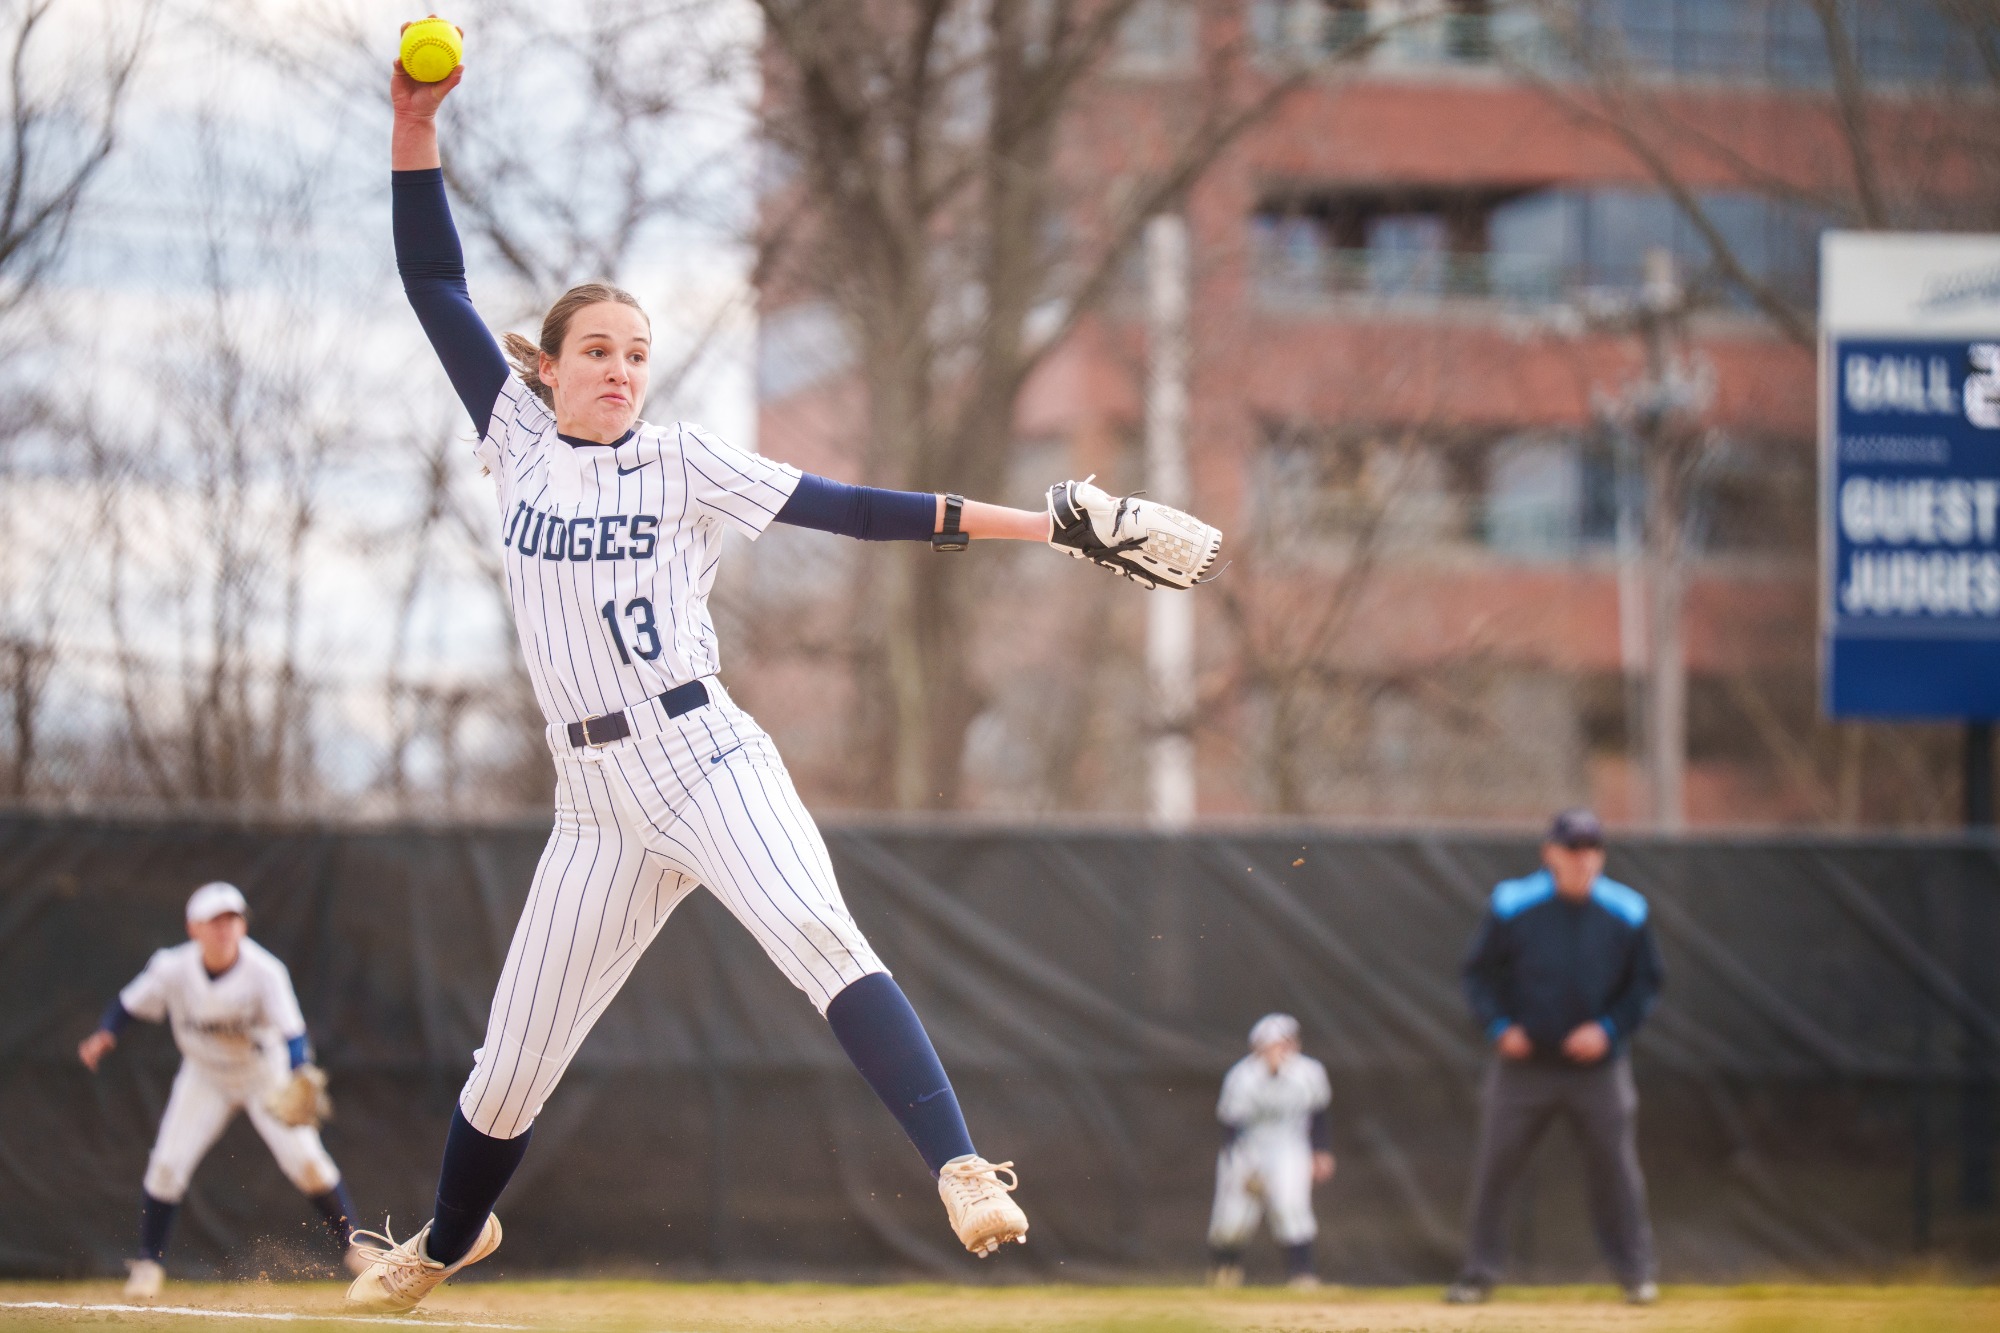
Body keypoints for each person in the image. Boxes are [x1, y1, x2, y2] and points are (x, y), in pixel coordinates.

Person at [352, 31, 1221, 1313]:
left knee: (817, 929)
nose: (621, 369)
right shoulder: (515, 437)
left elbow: (856, 508)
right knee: (510, 1068)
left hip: (703, 754)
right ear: (547, 366)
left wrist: (1043, 524)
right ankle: (442, 1242)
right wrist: (413, 129)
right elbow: (435, 285)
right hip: (591, 800)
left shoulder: (685, 460)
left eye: (637, 353)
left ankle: (962, 1167)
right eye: (596, 350)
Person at [78, 882, 362, 1300]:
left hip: (263, 1075)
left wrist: (300, 1070)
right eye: (215, 920)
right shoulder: (171, 968)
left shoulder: (265, 971)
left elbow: (293, 1030)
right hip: (204, 1076)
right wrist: (106, 1034)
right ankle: (148, 1265)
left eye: (232, 918)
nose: (225, 928)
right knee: (167, 1166)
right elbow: (127, 1004)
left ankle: (356, 1250)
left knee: (307, 1162)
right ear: (193, 928)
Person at [1445, 809, 1664, 1306]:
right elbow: (1477, 976)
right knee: (1496, 1167)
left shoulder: (1628, 910)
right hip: (1524, 1068)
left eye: (1592, 850)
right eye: (1572, 849)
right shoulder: (1512, 904)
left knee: (1617, 1171)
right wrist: (1501, 1027)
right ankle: (1477, 1275)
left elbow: (1646, 983)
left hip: (1599, 1070)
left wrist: (1608, 1030)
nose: (1582, 859)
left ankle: (1636, 1276)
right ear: (1550, 854)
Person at [1207, 1014, 1335, 1289]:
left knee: (1291, 1208)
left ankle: (1302, 1274)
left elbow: (1319, 1113)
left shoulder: (1309, 1072)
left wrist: (1321, 1151)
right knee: (1232, 1217)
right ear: (1259, 1046)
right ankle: (1224, 1271)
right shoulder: (1242, 1076)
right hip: (1248, 1149)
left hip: (1289, 1147)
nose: (1280, 1050)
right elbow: (1231, 1124)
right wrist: (1238, 1166)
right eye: (1274, 1044)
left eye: (1285, 1042)